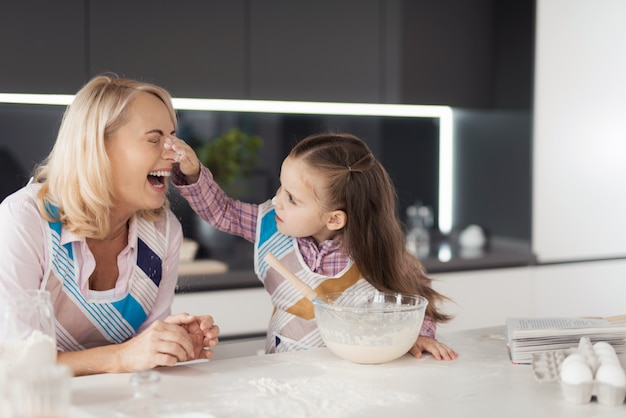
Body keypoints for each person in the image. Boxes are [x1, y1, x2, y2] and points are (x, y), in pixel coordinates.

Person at [0, 75, 220, 376]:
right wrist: (121, 357)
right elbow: (14, 359)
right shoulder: (25, 220)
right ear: (98, 147)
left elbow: (138, 353)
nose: (175, 153)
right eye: (155, 139)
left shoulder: (163, 231)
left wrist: (167, 344)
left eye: (172, 138)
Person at [169, 132, 458, 360]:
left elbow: (415, 298)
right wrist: (193, 174)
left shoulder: (377, 251)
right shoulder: (271, 225)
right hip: (283, 372)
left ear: (334, 219)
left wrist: (419, 335)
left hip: (351, 380)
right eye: (281, 187)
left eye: (293, 198)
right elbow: (223, 212)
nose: (278, 200)